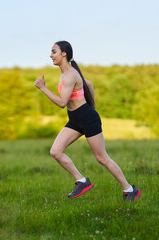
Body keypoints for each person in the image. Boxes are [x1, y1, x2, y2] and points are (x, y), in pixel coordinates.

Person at [34, 41, 140, 202]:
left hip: (87, 118)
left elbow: (62, 103)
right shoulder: (66, 73)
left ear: (64, 54)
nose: (51, 55)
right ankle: (82, 181)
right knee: (55, 151)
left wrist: (43, 88)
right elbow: (88, 84)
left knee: (102, 158)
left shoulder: (71, 74)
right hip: (75, 119)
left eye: (54, 51)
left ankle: (130, 189)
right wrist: (93, 105)